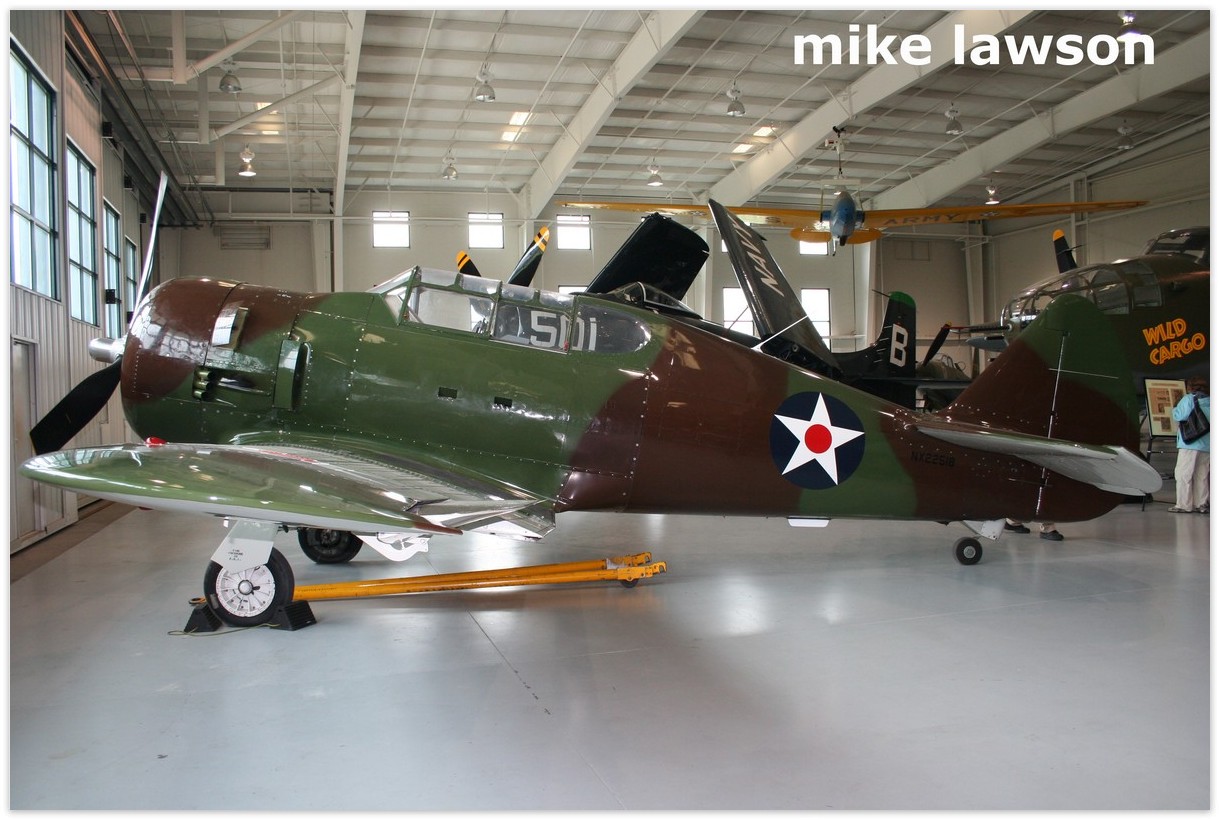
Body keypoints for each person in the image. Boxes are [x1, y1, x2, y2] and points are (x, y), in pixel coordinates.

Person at [1170, 378, 1210, 513]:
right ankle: (1201, 504)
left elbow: (1179, 416)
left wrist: (1175, 408)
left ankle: (1184, 504)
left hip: (1190, 442)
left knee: (1183, 474)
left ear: (1190, 387)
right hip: (1207, 444)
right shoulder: (1211, 400)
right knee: (1202, 475)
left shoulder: (1189, 399)